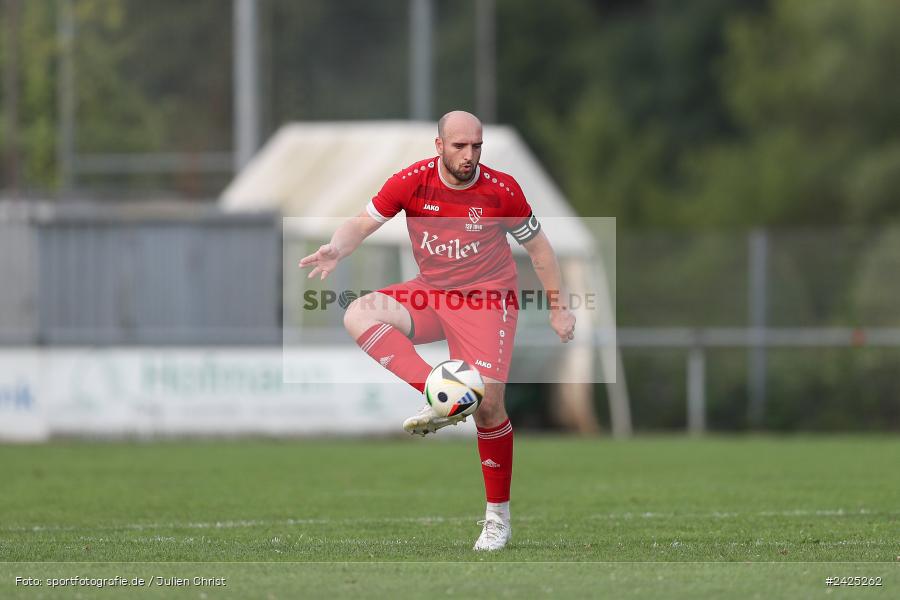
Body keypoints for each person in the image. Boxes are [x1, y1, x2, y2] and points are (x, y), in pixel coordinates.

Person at [299, 110, 576, 551]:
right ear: (439, 145)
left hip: (487, 300)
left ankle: (497, 520)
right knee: (358, 314)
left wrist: (559, 308)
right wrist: (337, 247)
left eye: (476, 147)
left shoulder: (502, 191)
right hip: (432, 293)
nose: (470, 156)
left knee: (488, 409)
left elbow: (539, 247)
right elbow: (362, 223)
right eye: (460, 146)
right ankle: (438, 391)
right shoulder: (412, 182)